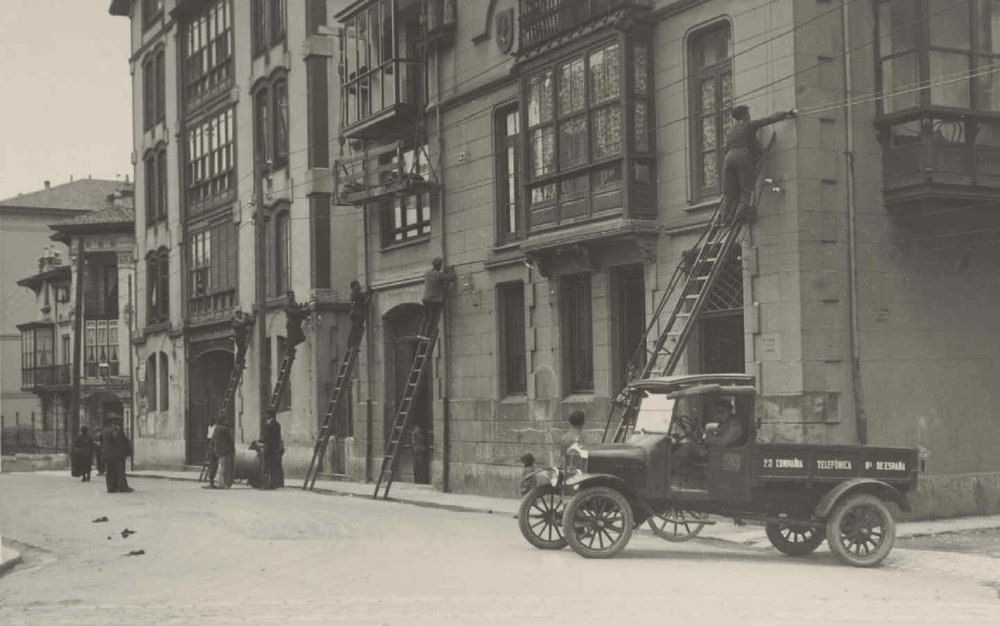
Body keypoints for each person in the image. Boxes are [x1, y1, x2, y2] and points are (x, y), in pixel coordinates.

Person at [721, 104, 796, 221]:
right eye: (748, 114)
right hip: (741, 155)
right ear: (745, 115)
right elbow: (768, 120)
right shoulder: (748, 124)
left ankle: (724, 217)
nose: (750, 116)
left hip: (728, 159)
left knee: (730, 193)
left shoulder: (730, 131)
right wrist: (786, 114)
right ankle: (739, 216)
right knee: (746, 190)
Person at [671, 398, 744, 474]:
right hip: (716, 453)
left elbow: (723, 443)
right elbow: (716, 435)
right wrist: (702, 436)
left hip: (722, 456)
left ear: (730, 411)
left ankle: (670, 471)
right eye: (718, 412)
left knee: (690, 446)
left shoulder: (735, 427)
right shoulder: (724, 424)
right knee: (689, 444)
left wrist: (705, 437)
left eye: (723, 412)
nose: (720, 415)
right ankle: (683, 473)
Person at [417, 258, 455, 340]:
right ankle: (427, 335)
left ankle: (420, 333)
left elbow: (431, 276)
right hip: (433, 300)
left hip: (425, 299)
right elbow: (451, 278)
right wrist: (451, 270)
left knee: (426, 317)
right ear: (439, 266)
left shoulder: (427, 273)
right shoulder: (439, 274)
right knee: (432, 318)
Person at [101, 415, 134, 493]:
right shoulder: (115, 430)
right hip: (116, 454)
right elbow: (118, 442)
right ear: (113, 421)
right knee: (120, 471)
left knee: (109, 471)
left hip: (107, 454)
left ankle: (111, 488)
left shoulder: (104, 430)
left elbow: (100, 439)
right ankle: (122, 487)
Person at [347, 281, 374, 349]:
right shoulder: (356, 294)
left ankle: (351, 345)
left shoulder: (353, 294)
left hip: (355, 314)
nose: (359, 286)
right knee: (357, 330)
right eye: (358, 285)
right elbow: (366, 298)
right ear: (354, 286)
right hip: (358, 314)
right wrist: (369, 291)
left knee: (354, 329)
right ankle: (353, 344)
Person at [261, 411, 284, 489]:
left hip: (269, 448)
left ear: (269, 415)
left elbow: (269, 437)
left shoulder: (269, 425)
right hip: (275, 448)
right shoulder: (277, 424)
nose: (265, 416)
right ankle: (274, 484)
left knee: (266, 466)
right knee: (274, 466)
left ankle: (266, 484)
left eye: (266, 414)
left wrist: (262, 440)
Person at [211, 420, 236, 489]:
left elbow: (213, 439)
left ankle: (219, 482)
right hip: (224, 450)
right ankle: (220, 483)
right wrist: (233, 449)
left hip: (216, 450)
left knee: (219, 466)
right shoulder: (225, 429)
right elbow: (230, 440)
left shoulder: (216, 429)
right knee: (222, 467)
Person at [202, 419, 219, 489]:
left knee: (213, 464)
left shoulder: (215, 428)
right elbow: (208, 438)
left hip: (214, 448)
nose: (209, 424)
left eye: (210, 423)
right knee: (212, 464)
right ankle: (211, 481)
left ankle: (212, 481)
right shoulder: (210, 428)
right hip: (211, 446)